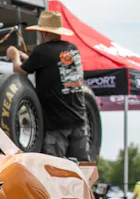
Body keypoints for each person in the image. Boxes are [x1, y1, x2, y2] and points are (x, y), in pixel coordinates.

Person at [7, 10, 89, 161]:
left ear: (44, 32)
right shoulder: (72, 49)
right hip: (79, 120)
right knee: (82, 167)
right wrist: (27, 58)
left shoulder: (42, 51)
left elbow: (20, 71)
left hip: (57, 124)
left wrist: (15, 56)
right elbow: (51, 65)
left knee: (53, 168)